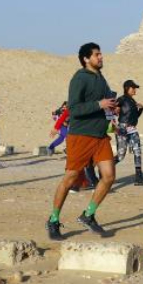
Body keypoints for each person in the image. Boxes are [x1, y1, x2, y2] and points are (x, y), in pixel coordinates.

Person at [47, 42, 119, 239]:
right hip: (81, 136)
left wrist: (111, 108)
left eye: (101, 54)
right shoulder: (79, 78)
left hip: (100, 136)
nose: (101, 57)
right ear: (86, 59)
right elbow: (74, 108)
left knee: (109, 176)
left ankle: (88, 215)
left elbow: (102, 104)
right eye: (97, 54)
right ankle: (53, 220)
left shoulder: (101, 78)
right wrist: (99, 104)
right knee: (70, 178)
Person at [115, 80, 143, 185]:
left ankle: (139, 177)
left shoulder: (133, 101)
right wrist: (115, 112)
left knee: (137, 151)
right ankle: (104, 170)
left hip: (133, 129)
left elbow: (134, 117)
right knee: (121, 155)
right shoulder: (121, 99)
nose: (135, 90)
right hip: (122, 129)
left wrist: (140, 110)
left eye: (135, 88)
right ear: (127, 88)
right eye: (133, 88)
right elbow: (114, 109)